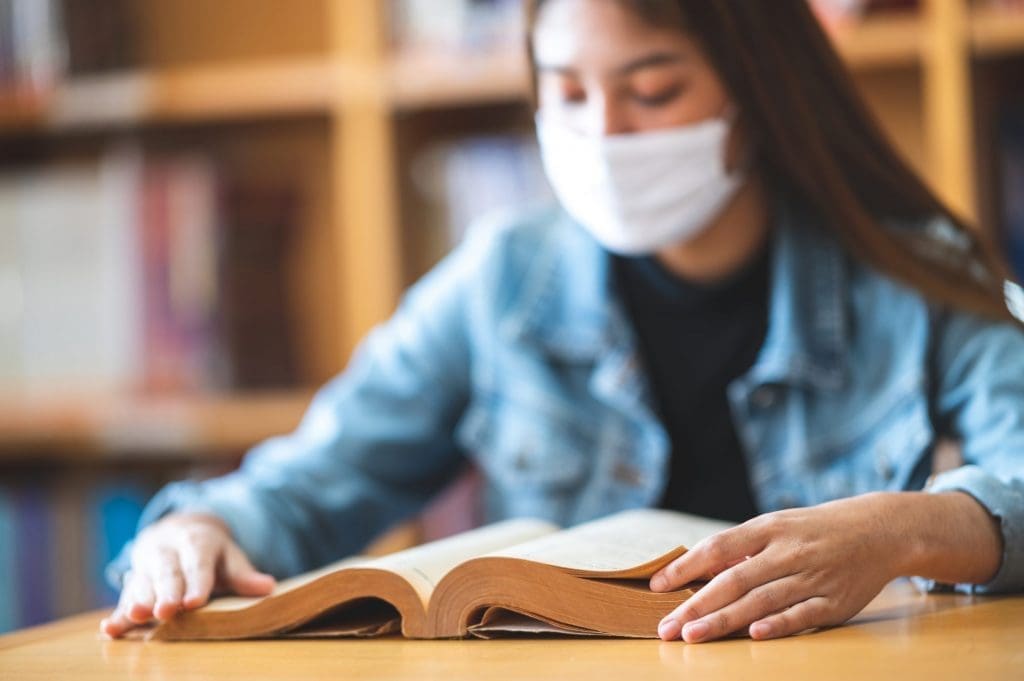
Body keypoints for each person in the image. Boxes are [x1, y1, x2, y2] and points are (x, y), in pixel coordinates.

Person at [100, 0, 1024, 644]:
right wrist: (202, 527)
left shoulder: (908, 270)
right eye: (570, 95)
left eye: (653, 92)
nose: (605, 135)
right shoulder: (500, 280)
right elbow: (314, 480)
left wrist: (899, 529)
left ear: (757, 93)